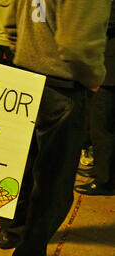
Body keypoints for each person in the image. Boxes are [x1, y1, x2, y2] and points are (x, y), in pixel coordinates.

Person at [0, 0, 111, 256]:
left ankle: (11, 229)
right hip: (62, 86)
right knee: (53, 190)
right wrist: (95, 77)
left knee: (25, 166)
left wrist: (26, 53)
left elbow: (9, 25)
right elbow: (76, 46)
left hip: (28, 77)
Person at [75, 2, 115, 196]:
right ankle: (102, 168)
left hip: (110, 70)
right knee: (101, 124)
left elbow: (107, 22)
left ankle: (104, 180)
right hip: (108, 68)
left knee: (102, 126)